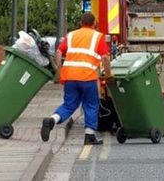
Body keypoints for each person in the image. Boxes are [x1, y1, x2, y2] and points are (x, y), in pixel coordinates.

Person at [41, 12, 112, 145]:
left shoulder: (71, 35)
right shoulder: (97, 36)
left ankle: (52, 120)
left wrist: (59, 70)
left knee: (69, 105)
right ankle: (89, 136)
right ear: (94, 24)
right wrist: (108, 74)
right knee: (91, 105)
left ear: (80, 23)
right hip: (87, 76)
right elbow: (105, 57)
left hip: (70, 76)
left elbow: (58, 52)